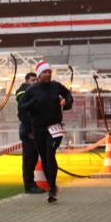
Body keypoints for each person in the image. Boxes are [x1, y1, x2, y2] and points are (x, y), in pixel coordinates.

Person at [18, 61, 73, 203]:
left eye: (49, 71)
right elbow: (21, 107)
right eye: (45, 72)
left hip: (54, 127)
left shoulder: (56, 86)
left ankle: (52, 187)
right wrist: (31, 108)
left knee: (50, 154)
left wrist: (65, 103)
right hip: (38, 128)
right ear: (39, 74)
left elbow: (68, 95)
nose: (48, 74)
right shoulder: (32, 90)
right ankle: (51, 185)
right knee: (44, 156)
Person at [15, 71, 44, 194]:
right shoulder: (23, 92)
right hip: (29, 132)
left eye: (36, 80)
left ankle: (32, 184)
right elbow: (24, 113)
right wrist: (30, 131)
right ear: (26, 80)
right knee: (29, 160)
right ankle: (29, 185)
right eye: (33, 80)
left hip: (35, 130)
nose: (35, 82)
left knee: (33, 159)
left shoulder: (34, 92)